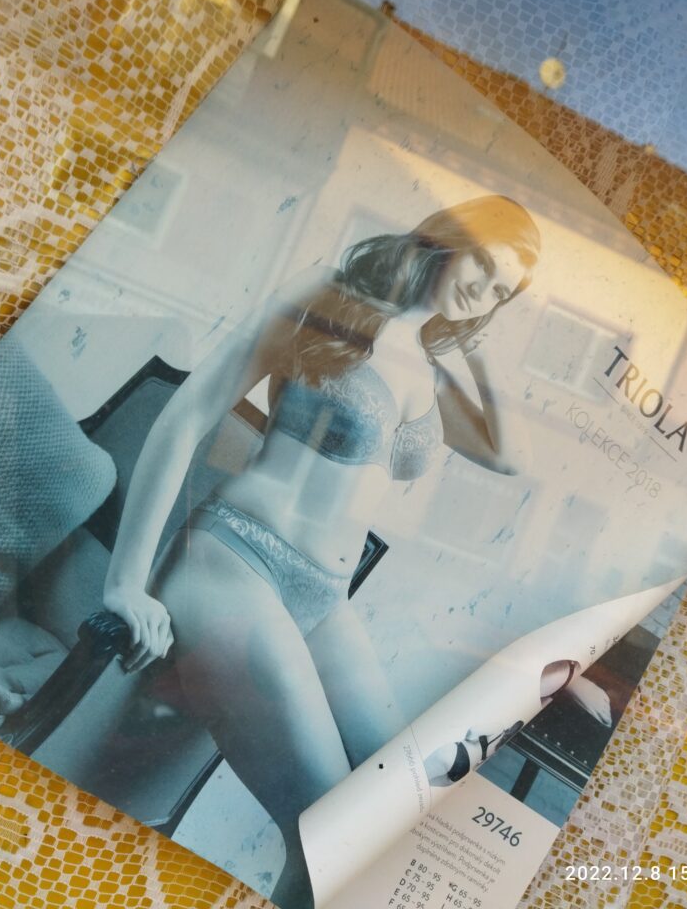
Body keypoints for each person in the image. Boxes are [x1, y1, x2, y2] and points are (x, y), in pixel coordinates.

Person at [101, 194, 541, 907]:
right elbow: (187, 416)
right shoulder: (331, 293)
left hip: (324, 601)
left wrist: (477, 344)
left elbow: (509, 456)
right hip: (235, 563)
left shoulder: (429, 368)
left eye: (501, 291)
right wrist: (126, 580)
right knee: (328, 837)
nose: (481, 292)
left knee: (396, 812)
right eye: (482, 265)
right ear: (450, 237)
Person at [424, 660, 612, 787]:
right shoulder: (504, 730)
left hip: (458, 755)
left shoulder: (499, 724)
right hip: (462, 766)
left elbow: (472, 731)